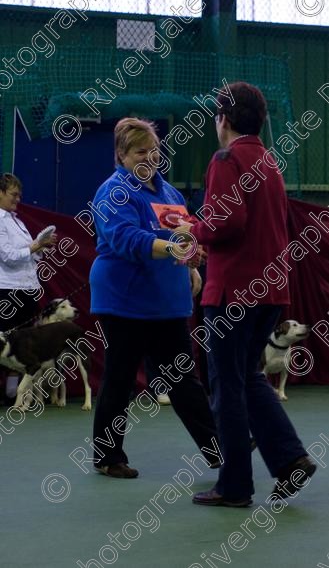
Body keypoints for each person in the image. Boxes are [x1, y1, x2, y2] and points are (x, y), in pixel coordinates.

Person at [176, 82, 316, 507]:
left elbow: (225, 224)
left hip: (233, 290)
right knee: (247, 378)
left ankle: (235, 485)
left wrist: (191, 231)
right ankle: (290, 459)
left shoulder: (226, 159)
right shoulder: (270, 163)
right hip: (270, 290)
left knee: (226, 386)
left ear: (223, 120)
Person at [90, 117, 220, 478]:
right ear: (121, 154)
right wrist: (177, 250)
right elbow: (126, 239)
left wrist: (191, 265)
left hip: (166, 302)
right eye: (139, 151)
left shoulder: (170, 194)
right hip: (125, 301)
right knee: (119, 378)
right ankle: (108, 457)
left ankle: (219, 447)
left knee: (183, 379)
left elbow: (186, 237)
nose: (149, 157)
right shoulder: (112, 192)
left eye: (154, 150)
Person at [0, 173, 57, 403]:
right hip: (7, 291)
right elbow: (8, 256)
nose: (18, 199)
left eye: (19, 195)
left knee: (22, 344)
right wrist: (36, 245)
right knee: (4, 342)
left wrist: (41, 247)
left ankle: (14, 393)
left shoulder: (17, 221)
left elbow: (28, 256)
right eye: (14, 194)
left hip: (26, 289)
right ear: (1, 192)